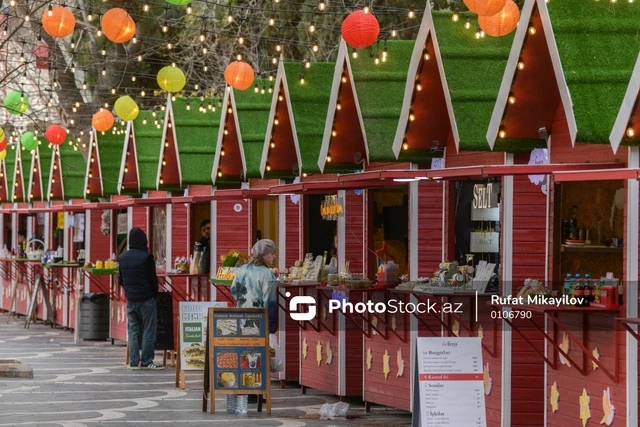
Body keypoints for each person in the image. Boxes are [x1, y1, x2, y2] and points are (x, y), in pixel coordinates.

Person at [230, 239, 278, 404]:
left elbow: (234, 290)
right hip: (258, 320)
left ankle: (245, 389)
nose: (274, 256)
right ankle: (254, 391)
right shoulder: (267, 275)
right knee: (256, 356)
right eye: (272, 253)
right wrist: (271, 325)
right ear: (264, 255)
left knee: (244, 352)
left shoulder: (242, 269)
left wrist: (242, 302)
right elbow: (270, 301)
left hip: (241, 317)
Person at [118, 228, 162, 370]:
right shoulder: (147, 257)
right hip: (146, 299)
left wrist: (129, 292)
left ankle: (133, 361)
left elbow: (121, 280)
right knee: (148, 330)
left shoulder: (122, 257)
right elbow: (153, 280)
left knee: (133, 330)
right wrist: (154, 295)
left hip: (131, 300)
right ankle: (147, 361)